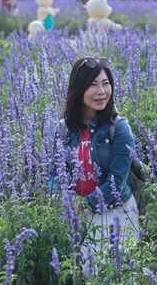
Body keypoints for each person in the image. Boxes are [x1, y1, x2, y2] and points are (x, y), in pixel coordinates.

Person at [47, 56, 140, 249]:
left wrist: (84, 205)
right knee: (78, 275)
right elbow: (54, 173)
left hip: (114, 213)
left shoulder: (119, 128)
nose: (101, 92)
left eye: (106, 84)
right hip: (74, 214)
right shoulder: (64, 130)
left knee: (111, 273)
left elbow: (116, 181)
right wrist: (57, 196)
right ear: (79, 88)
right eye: (93, 85)